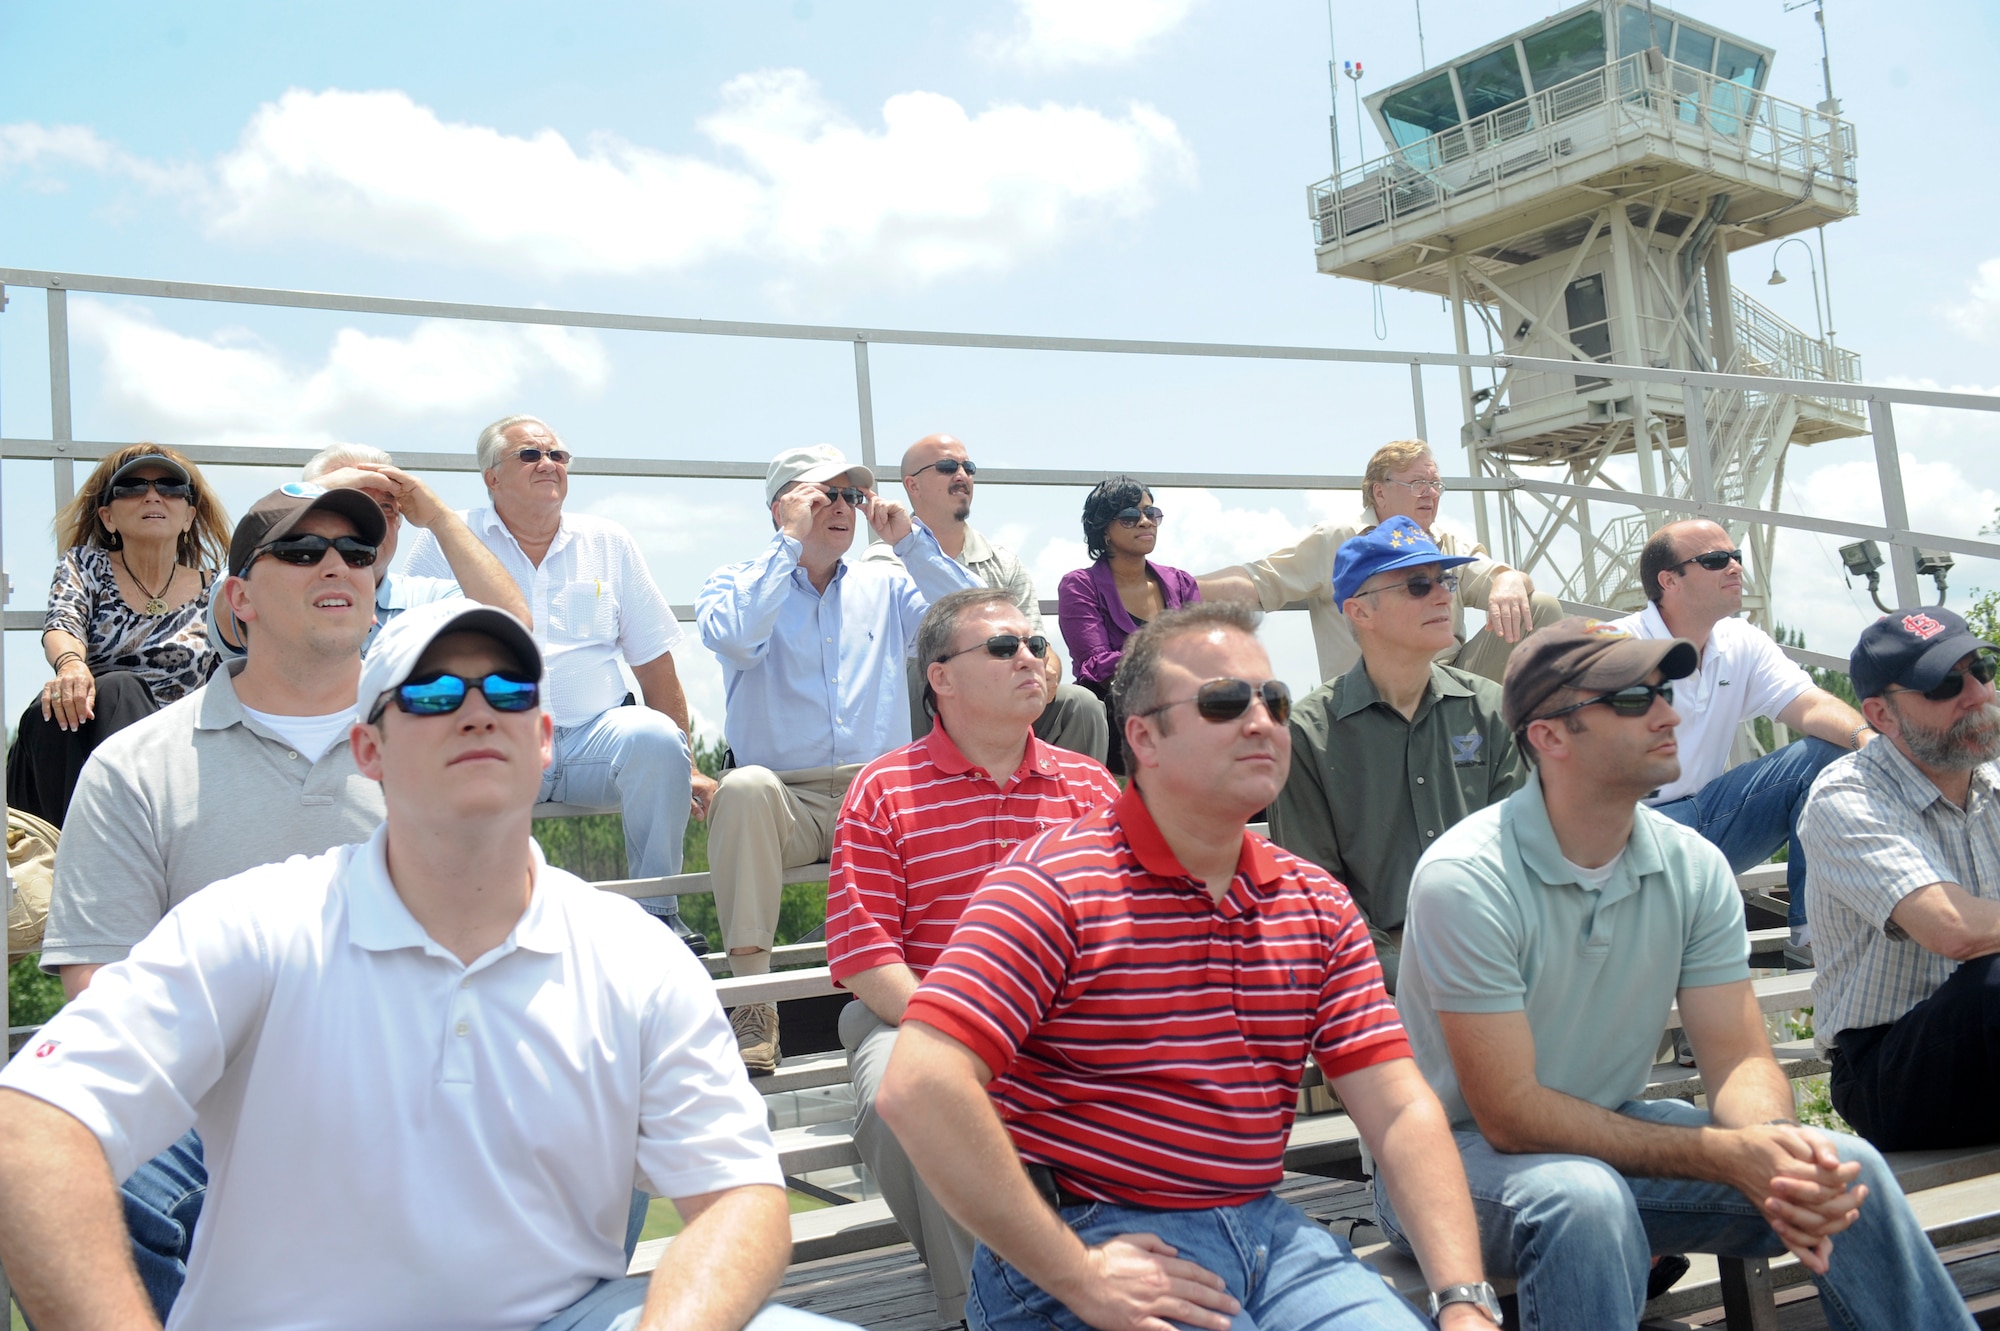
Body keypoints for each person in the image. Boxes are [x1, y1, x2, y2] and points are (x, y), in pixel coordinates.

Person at [0, 599, 855, 1331]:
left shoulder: (635, 952)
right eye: (434, 693)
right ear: (367, 752)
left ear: (545, 739)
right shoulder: (256, 922)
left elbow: (741, 1193)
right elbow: (29, 1126)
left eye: (510, 691)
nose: (477, 710)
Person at [879, 603, 1500, 1331]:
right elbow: (919, 1087)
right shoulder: (1052, 886)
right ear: (1141, 735)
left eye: (1273, 700)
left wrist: (1466, 1298)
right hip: (1097, 1235)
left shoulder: (1316, 904)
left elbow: (1397, 1108)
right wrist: (1077, 1274)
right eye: (1224, 701)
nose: (1262, 720)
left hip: (1266, 1231)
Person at [1386, 616, 1973, 1331]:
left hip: (1607, 1136)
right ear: (1550, 736)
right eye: (1633, 700)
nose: (1670, 713)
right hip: (1448, 1159)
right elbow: (1509, 1116)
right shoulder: (1467, 876)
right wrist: (1725, 1154)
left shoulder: (1691, 863)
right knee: (1584, 1200)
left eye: (1665, 691)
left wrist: (1771, 1145)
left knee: (1844, 1172)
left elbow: (1738, 1056)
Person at [36, 482, 393, 1320]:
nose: (335, 564)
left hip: (407, 1070)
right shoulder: (135, 766)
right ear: (238, 600)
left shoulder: (436, 750)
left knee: (587, 1124)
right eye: (302, 553)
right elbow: (99, 989)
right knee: (87, 1176)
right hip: (212, 1094)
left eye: (356, 553)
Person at [825, 587, 1121, 1323]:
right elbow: (866, 957)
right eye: (1002, 646)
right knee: (911, 1089)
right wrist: (968, 1030)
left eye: (1035, 644)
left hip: (1066, 1016)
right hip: (915, 1013)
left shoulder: (1089, 785)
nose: (1029, 656)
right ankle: (988, 1306)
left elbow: (1130, 932)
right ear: (941, 678)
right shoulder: (882, 788)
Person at [698, 444, 977, 1073]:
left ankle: (951, 986)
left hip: (876, 796)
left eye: (850, 496)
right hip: (783, 800)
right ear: (783, 507)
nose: (844, 507)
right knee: (740, 789)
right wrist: (786, 547)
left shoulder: (888, 581)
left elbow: (977, 624)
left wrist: (913, 544)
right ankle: (753, 1005)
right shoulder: (736, 581)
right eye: (823, 495)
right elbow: (737, 637)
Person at [403, 414, 711, 946]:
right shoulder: (447, 540)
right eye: (530, 455)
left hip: (597, 735)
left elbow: (654, 662)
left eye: (558, 456)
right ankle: (484, 929)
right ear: (491, 477)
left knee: (658, 740)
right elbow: (409, 652)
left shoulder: (608, 541)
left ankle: (657, 915)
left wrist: (691, 766)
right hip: (498, 734)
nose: (548, 464)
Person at [1268, 517, 1526, 992]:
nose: (1443, 595)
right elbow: (1316, 889)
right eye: (1417, 585)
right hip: (1371, 976)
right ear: (1359, 612)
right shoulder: (1306, 735)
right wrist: (1399, 975)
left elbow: (1521, 851)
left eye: (1445, 580)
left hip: (1495, 952)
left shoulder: (1492, 711)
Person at [1611, 518, 1873, 953]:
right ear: (1668, 580)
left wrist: (1871, 742)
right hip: (1629, 836)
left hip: (1709, 819)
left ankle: (1815, 936)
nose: (1734, 567)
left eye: (1736, 557)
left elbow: (1811, 705)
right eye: (1715, 560)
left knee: (1831, 751)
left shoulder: (1741, 641)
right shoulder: (1615, 648)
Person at [1800, 607, 2000, 1150]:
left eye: (1980, 668)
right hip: (1889, 1066)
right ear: (1880, 715)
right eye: (1942, 684)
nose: (1978, 693)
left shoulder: (1994, 779)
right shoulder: (1846, 797)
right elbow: (1952, 930)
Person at [1199, 440, 1560, 685]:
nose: (1431, 493)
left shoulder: (1447, 541)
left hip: (1449, 680)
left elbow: (1494, 575)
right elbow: (1259, 582)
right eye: (1418, 482)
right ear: (1379, 491)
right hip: (1371, 693)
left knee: (1540, 607)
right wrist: (1165, 587)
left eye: (1436, 484)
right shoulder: (1339, 539)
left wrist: (1510, 579)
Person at [7, 445, 231, 826]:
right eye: (131, 486)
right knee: (106, 692)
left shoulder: (218, 590)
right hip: (76, 747)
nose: (152, 495)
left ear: (189, 515)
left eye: (171, 486)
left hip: (176, 755)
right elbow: (63, 621)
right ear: (108, 517)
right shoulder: (85, 565)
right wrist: (71, 665)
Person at [876, 432, 1109, 764]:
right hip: (935, 698)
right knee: (922, 670)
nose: (962, 476)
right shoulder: (883, 560)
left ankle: (1069, 810)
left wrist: (1047, 667)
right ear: (912, 486)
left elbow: (1036, 641)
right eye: (946, 466)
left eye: (968, 467)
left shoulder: (1004, 562)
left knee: (1080, 705)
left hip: (1001, 688)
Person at [206, 442, 527, 660]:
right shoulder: (267, 590)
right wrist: (316, 490)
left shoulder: (424, 600)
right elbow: (230, 606)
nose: (365, 525)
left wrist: (439, 517)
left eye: (385, 509)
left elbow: (512, 624)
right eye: (344, 504)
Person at [1055, 475, 1199, 775]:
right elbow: (1095, 667)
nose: (1146, 522)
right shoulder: (1081, 585)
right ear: (1104, 530)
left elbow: (1201, 651)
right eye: (1130, 517)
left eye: (1151, 513)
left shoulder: (1181, 583)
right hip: (1118, 709)